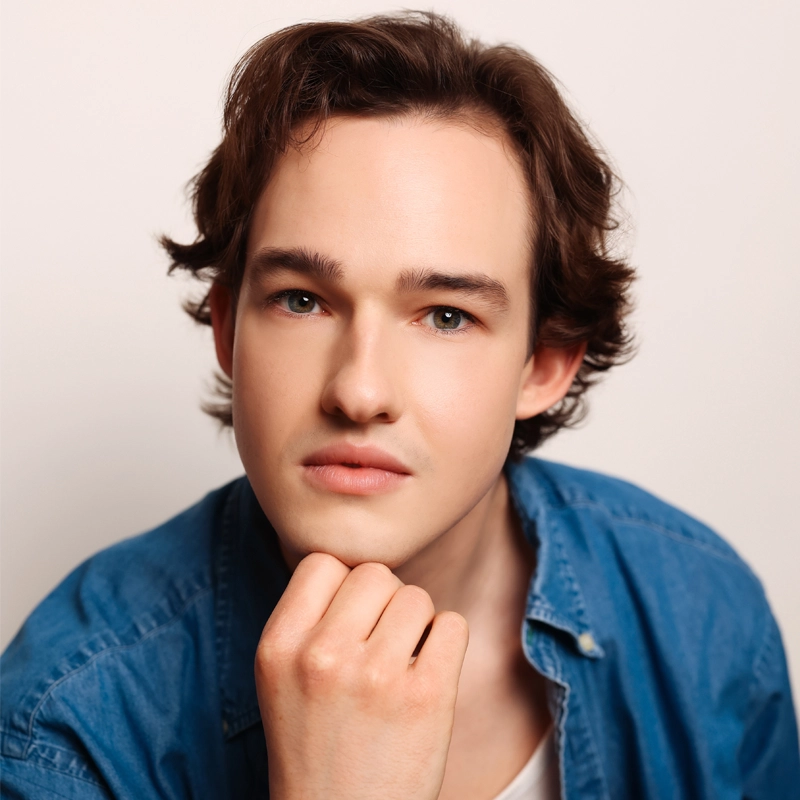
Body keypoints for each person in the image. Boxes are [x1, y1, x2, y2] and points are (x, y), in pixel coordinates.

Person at [1, 10, 797, 799]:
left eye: (446, 316)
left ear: (545, 363)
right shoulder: (64, 728)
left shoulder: (701, 611)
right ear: (228, 330)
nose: (359, 391)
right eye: (302, 301)